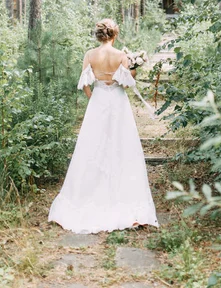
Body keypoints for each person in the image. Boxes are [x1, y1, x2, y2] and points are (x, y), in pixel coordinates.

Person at [48, 18, 159, 234]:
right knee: (121, 144)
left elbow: (85, 84)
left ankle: (87, 193)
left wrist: (94, 97)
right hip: (117, 101)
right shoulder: (121, 56)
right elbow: (126, 83)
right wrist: (133, 69)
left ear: (99, 36)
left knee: (93, 145)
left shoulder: (90, 55)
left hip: (98, 101)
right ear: (114, 35)